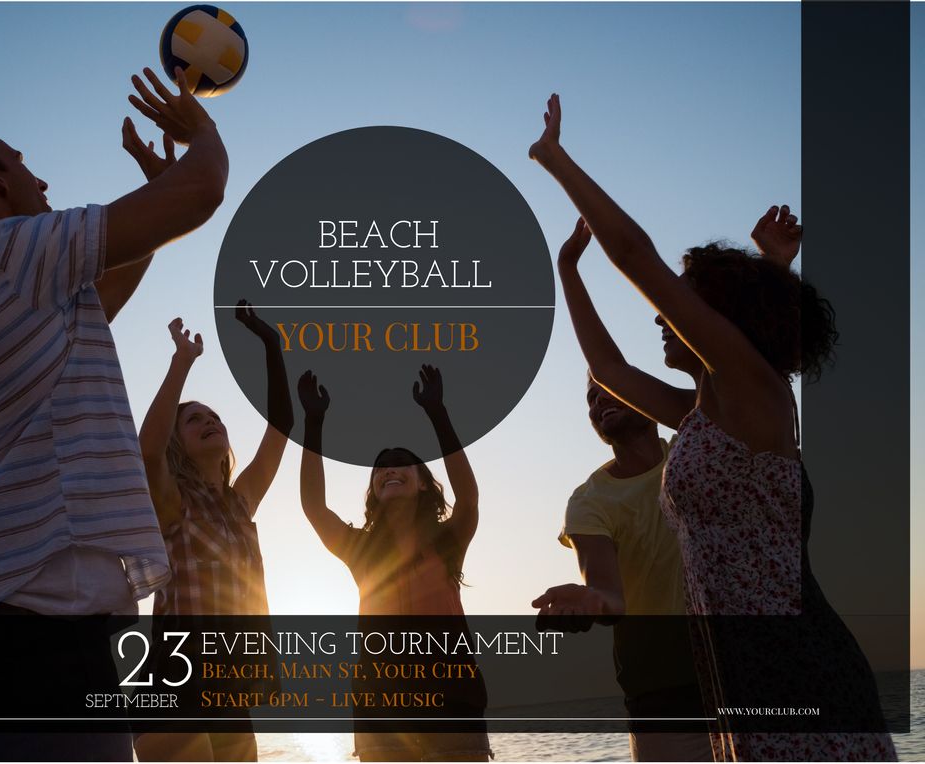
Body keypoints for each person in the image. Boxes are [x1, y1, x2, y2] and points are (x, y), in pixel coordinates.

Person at [529, 93, 896, 760]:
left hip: (795, 665)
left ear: (719, 319)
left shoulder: (756, 396)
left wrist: (556, 160)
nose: (663, 312)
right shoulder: (709, 417)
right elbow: (609, 368)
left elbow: (637, 256)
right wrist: (567, 271)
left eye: (684, 300)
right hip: (737, 673)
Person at [0, 66, 227, 761]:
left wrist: (148, 194)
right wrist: (199, 132)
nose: (41, 183)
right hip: (36, 631)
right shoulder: (10, 254)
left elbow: (99, 299)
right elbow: (203, 191)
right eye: (23, 164)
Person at [298, 365, 491, 762]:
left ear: (423, 483)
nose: (389, 467)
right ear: (373, 489)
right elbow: (314, 507)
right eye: (381, 466)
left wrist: (438, 413)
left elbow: (468, 497)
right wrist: (313, 423)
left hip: (454, 699)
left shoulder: (448, 540)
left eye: (402, 462)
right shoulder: (361, 550)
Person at [133, 309, 293, 762]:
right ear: (177, 446)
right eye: (194, 419)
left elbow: (282, 427)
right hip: (174, 680)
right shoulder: (173, 501)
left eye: (215, 415)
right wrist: (182, 363)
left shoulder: (239, 503)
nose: (210, 420)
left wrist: (271, 346)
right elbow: (147, 452)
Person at [533, 374, 711, 761]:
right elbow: (609, 594)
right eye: (591, 399)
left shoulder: (695, 453)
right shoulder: (589, 501)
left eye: (611, 389)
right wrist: (590, 601)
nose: (599, 402)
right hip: (663, 692)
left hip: (744, 672)